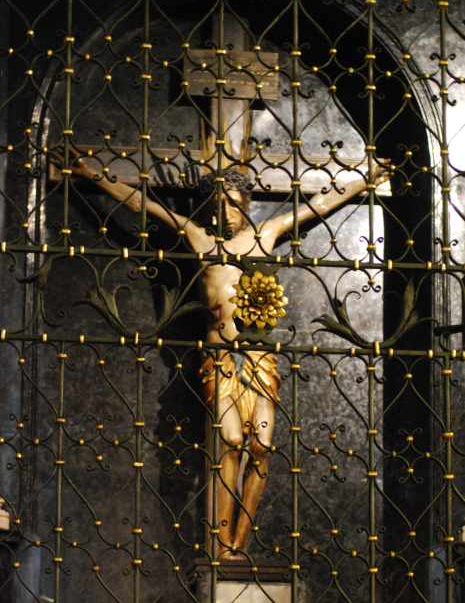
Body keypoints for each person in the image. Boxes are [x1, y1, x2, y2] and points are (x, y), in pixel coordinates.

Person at [61, 147, 389, 555]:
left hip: (259, 359)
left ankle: (238, 542)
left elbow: (318, 205)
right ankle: (220, 545)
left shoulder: (266, 233)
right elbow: (141, 204)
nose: (226, 213)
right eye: (218, 206)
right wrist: (91, 173)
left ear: (246, 203)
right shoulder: (199, 238)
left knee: (262, 448)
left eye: (233, 204)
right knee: (231, 440)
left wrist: (365, 179)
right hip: (219, 359)